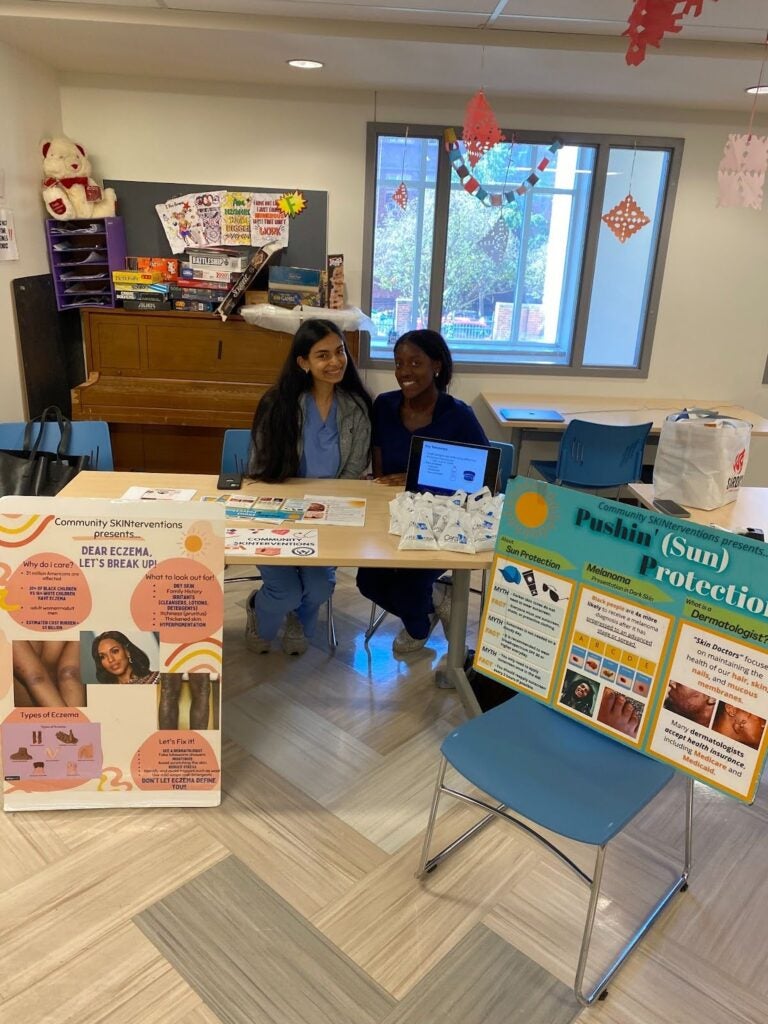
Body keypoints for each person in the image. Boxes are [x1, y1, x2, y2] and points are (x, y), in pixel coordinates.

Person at [355, 329, 488, 656]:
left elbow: (483, 481)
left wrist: (415, 479)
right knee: (367, 581)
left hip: (442, 520)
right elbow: (380, 471)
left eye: (415, 362)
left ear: (437, 366)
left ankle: (417, 625)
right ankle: (435, 602)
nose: (404, 372)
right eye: (399, 363)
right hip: (391, 515)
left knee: (410, 582)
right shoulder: (384, 406)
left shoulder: (459, 416)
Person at [246, 318, 372, 655]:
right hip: (277, 515)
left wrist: (324, 512)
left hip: (326, 516)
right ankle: (259, 609)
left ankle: (298, 621)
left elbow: (354, 471)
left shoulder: (356, 408)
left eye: (339, 351)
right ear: (303, 363)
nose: (335, 362)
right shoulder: (277, 405)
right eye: (322, 355)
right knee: (285, 592)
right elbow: (259, 469)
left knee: (318, 589)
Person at [13, 640, 85, 708]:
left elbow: (70, 674)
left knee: (70, 675)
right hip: (23, 713)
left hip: (61, 706)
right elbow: (34, 677)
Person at [91, 631, 159, 685]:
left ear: (127, 651)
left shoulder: (158, 679)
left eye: (115, 651)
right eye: (102, 657)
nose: (110, 659)